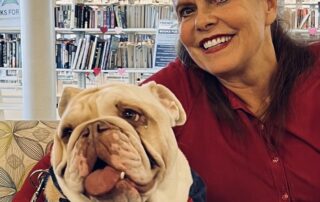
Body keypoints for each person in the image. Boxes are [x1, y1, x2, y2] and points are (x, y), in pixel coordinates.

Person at [14, 0, 320, 201]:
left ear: (268, 6)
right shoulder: (173, 89)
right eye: (187, 10)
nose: (202, 20)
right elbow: (53, 168)